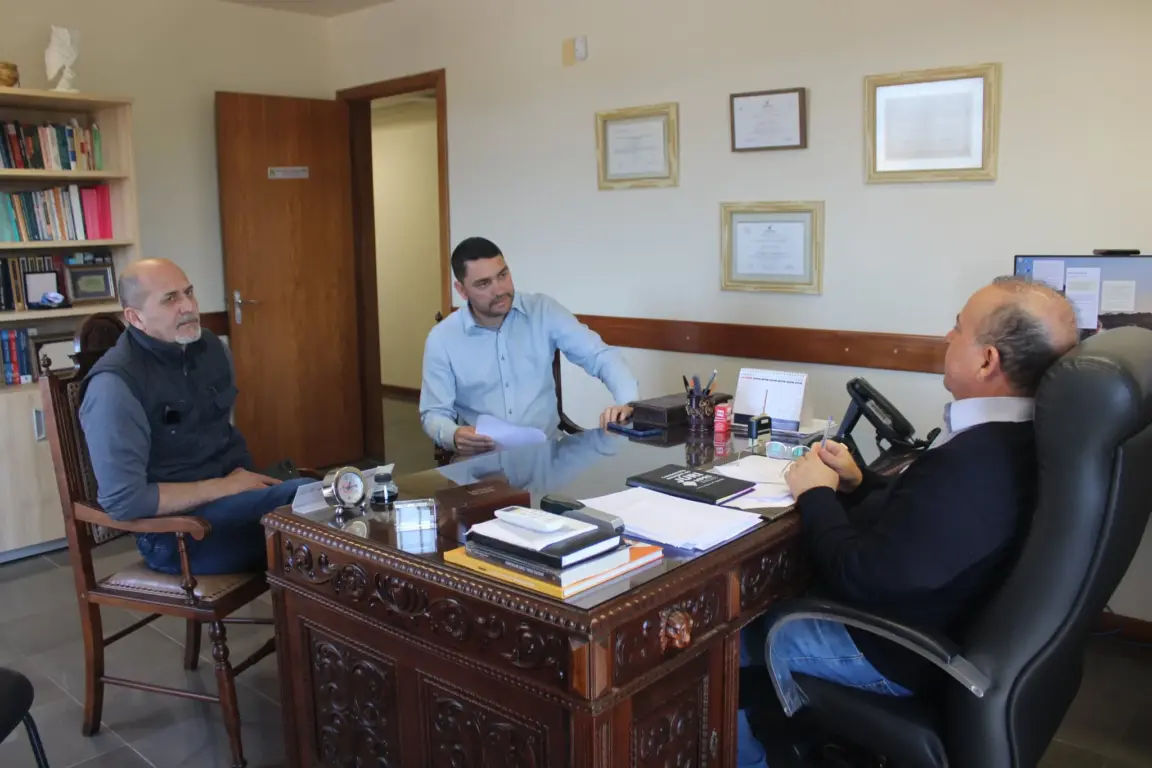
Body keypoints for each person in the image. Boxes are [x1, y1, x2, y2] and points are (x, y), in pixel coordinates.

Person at [737, 276, 1080, 767]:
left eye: (958, 328)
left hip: (891, 650)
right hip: (934, 623)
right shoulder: (1015, 437)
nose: (946, 337)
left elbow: (860, 576)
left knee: (723, 646)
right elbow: (926, 522)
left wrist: (815, 494)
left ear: (987, 361)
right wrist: (860, 483)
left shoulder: (976, 464)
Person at [79, 259, 312, 576]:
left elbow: (222, 437)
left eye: (188, 292)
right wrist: (225, 487)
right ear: (136, 317)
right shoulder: (113, 385)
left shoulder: (210, 348)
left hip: (233, 503)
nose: (188, 306)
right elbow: (125, 502)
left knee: (327, 497)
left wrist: (248, 485)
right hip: (175, 535)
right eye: (170, 299)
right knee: (312, 508)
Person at [420, 237, 641, 454]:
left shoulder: (543, 311)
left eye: (502, 275)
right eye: (484, 283)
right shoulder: (442, 338)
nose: (499, 290)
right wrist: (454, 435)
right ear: (461, 290)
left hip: (546, 456)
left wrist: (628, 403)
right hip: (480, 462)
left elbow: (601, 356)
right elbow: (433, 413)